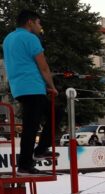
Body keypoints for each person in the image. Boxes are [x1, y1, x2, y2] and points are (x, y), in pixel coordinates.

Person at [2, 10, 58, 174]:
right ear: (30, 22)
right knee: (31, 126)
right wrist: (52, 86)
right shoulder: (30, 38)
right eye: (39, 23)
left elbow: (20, 63)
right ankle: (26, 164)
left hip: (19, 87)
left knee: (55, 113)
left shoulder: (8, 39)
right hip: (32, 87)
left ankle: (39, 151)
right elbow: (43, 66)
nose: (40, 27)